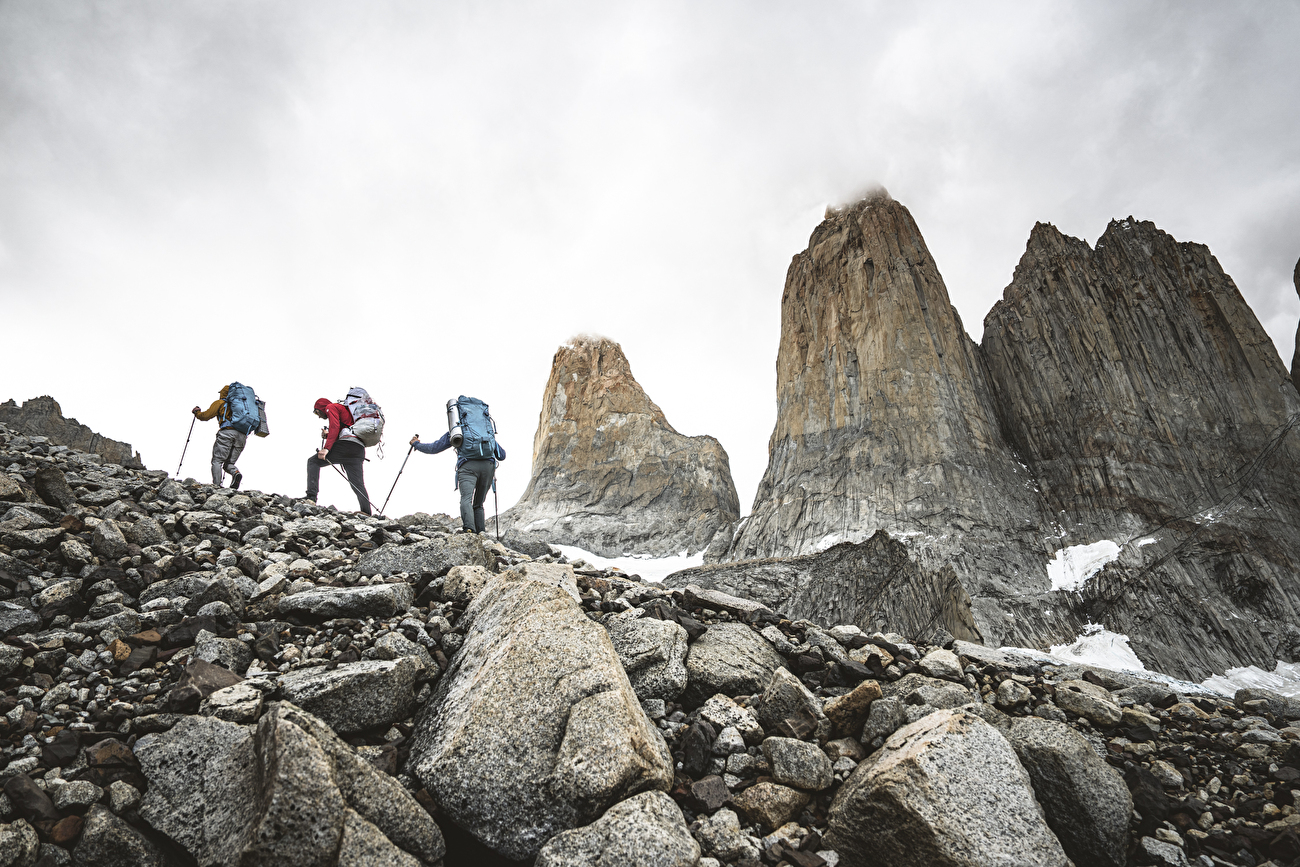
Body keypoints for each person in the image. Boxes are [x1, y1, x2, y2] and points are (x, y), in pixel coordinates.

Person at [410, 425, 506, 534]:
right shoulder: (485, 430)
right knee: (479, 503)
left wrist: (416, 444)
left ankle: (469, 529)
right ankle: (481, 533)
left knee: (466, 499)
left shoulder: (457, 431)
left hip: (467, 467)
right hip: (488, 467)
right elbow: (502, 455)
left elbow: (434, 448)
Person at [306, 397, 372, 515]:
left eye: (317, 412)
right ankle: (366, 512)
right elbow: (344, 431)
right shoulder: (346, 412)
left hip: (346, 446)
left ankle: (311, 498)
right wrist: (328, 436)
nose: (319, 416)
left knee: (313, 462)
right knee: (357, 484)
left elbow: (334, 426)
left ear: (321, 407)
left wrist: (326, 448)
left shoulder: (331, 407)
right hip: (358, 449)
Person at [193, 385, 246, 489]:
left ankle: (216, 486)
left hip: (227, 432)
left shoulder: (220, 403)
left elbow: (205, 416)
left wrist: (197, 412)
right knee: (229, 464)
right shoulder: (243, 405)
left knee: (217, 461)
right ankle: (235, 473)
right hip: (242, 436)